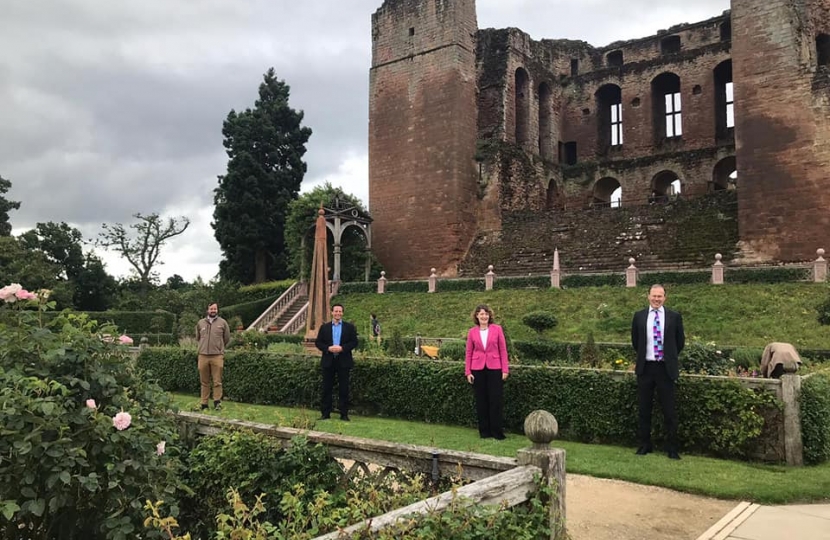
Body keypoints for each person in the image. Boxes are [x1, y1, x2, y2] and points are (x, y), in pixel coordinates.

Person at [631, 284, 685, 459]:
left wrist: (669, 357)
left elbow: (680, 342)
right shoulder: (639, 316)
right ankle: (645, 445)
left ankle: (672, 448)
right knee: (644, 410)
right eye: (654, 296)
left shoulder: (674, 317)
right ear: (648, 296)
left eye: (660, 296)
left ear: (665, 298)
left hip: (665, 368)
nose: (656, 299)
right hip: (646, 368)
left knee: (669, 411)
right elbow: (635, 341)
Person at [465, 304, 509, 440]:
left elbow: (503, 350)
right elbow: (468, 352)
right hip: (477, 368)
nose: (484, 316)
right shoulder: (472, 332)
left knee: (495, 400)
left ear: (489, 316)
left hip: (495, 367)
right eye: (481, 314)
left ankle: (497, 432)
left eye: (486, 314)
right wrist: (468, 372)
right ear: (476, 316)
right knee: (481, 401)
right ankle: (484, 432)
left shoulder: (497, 329)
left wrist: (505, 369)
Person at [315, 304, 358, 421]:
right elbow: (318, 342)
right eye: (336, 311)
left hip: (343, 361)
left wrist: (342, 348)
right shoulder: (324, 327)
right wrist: (328, 348)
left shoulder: (349, 327)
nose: (338, 313)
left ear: (342, 313)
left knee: (344, 389)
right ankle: (325, 413)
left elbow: (354, 342)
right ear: (332, 312)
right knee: (326, 388)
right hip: (328, 360)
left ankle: (344, 414)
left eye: (340, 311)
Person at [196, 302, 231, 411]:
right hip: (203, 356)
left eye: (215, 309)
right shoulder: (200, 323)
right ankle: (204, 403)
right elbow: (198, 337)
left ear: (217, 310)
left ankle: (217, 403)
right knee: (204, 381)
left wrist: (219, 348)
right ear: (207, 310)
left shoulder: (223, 323)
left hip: (217, 356)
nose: (213, 311)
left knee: (217, 381)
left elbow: (227, 338)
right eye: (211, 309)